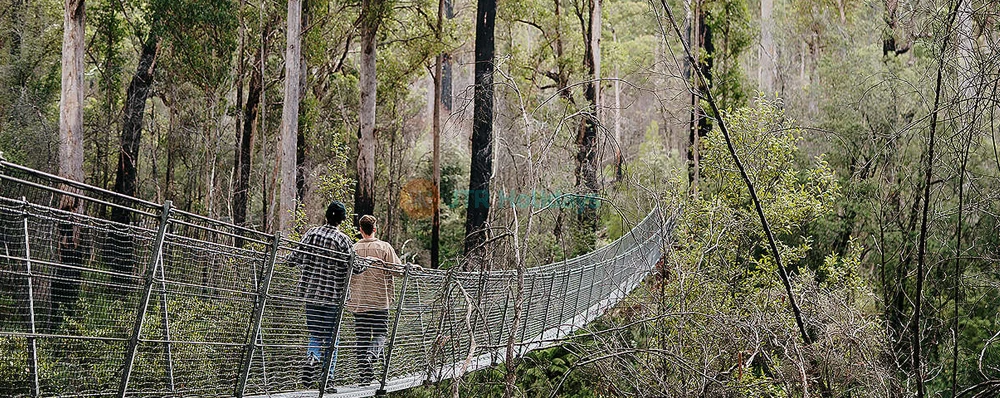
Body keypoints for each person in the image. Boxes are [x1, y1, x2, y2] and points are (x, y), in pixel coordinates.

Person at [290, 200, 365, 384]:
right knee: (333, 338)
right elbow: (355, 266)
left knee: (316, 333)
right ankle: (328, 378)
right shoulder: (343, 240)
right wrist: (368, 262)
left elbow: (294, 258)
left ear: (326, 215)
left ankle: (312, 358)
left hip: (312, 295)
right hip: (334, 298)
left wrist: (278, 255)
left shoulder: (311, 233)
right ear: (342, 219)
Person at [346, 215, 411, 384]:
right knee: (381, 333)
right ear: (375, 229)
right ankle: (372, 354)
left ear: (360, 230)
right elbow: (398, 271)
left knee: (361, 339)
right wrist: (408, 268)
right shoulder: (384, 247)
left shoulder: (353, 249)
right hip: (380, 301)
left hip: (359, 302)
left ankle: (365, 377)